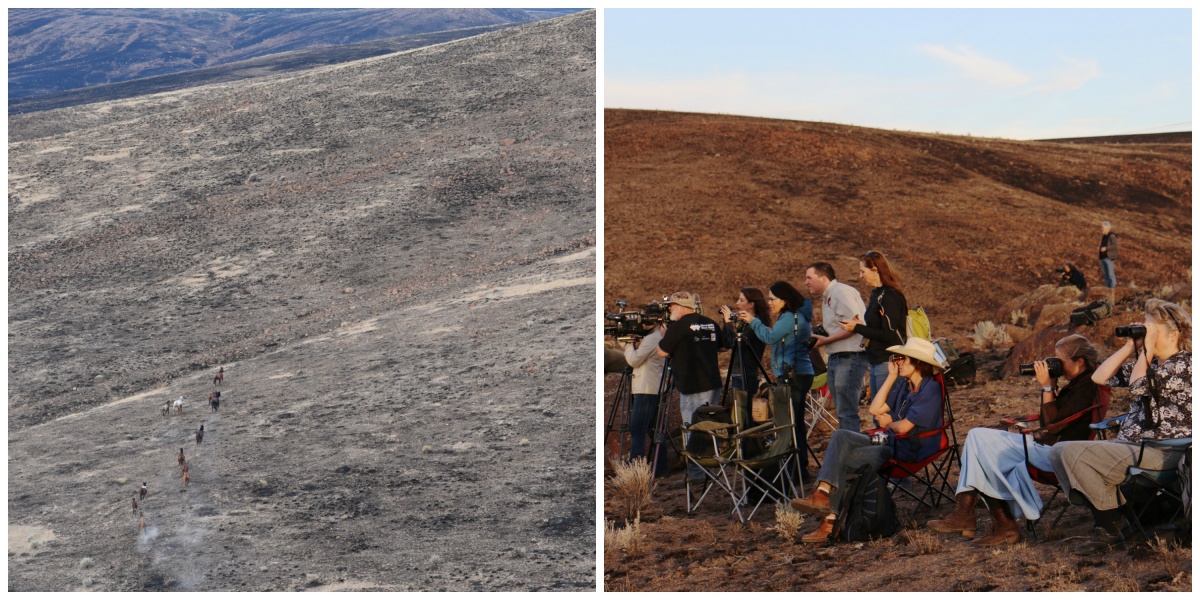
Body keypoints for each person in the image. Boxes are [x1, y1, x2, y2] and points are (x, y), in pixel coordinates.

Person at [927, 334, 1101, 545]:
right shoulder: (1077, 383)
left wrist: (1047, 388)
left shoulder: (1087, 386)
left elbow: (1053, 423)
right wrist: (1051, 386)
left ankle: (989, 521)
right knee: (975, 437)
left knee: (984, 447)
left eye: (1060, 361)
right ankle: (976, 516)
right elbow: (1052, 420)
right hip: (1046, 446)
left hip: (1058, 453)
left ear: (1079, 361)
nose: (1056, 366)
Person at [1049, 299, 1191, 555]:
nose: (1146, 333)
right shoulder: (1152, 364)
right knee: (1058, 452)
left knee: (1070, 453)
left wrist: (1145, 352)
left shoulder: (1185, 365)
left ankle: (1112, 526)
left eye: (1152, 328)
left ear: (1174, 333)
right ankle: (1116, 516)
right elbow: (1099, 377)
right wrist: (1129, 347)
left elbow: (1138, 385)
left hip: (1165, 451)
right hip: (1134, 447)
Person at [791, 337, 945, 544]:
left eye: (901, 358)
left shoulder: (930, 389)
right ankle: (823, 493)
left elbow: (904, 427)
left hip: (911, 448)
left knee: (842, 459)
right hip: (891, 442)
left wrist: (890, 423)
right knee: (841, 435)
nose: (896, 362)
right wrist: (890, 378)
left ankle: (829, 520)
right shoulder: (905, 386)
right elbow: (874, 410)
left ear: (917, 362)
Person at [738, 281, 816, 481]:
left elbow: (769, 337)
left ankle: (796, 470)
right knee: (795, 422)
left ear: (785, 299)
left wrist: (753, 321)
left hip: (795, 376)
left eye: (772, 299)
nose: (769, 302)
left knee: (789, 423)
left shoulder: (790, 317)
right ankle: (800, 469)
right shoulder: (790, 316)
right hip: (795, 373)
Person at [656, 291, 723, 483]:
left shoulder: (679, 327)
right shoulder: (710, 322)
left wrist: (664, 336)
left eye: (672, 306)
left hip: (692, 385)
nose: (670, 311)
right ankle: (711, 468)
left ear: (683, 306)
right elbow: (723, 347)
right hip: (712, 382)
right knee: (709, 427)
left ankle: (696, 474)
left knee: (692, 428)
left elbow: (661, 352)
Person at [805, 262, 869, 431]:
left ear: (823, 278)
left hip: (849, 356)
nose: (806, 283)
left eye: (809, 278)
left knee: (847, 411)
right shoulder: (829, 296)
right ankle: (847, 447)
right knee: (842, 411)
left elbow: (856, 324)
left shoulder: (841, 292)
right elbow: (841, 325)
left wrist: (825, 340)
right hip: (838, 357)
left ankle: (851, 449)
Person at [840, 251, 908, 403]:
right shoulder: (876, 294)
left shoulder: (890, 296)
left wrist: (857, 328)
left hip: (888, 362)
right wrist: (859, 326)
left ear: (875, 270)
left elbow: (888, 334)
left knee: (886, 412)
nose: (860, 276)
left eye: (863, 271)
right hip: (877, 361)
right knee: (878, 414)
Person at [616, 324, 668, 476]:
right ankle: (660, 469)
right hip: (651, 388)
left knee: (638, 429)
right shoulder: (655, 337)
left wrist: (628, 345)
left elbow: (634, 360)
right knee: (655, 430)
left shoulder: (652, 338)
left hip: (646, 390)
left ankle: (636, 469)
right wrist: (628, 343)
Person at [717, 288, 770, 395]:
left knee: (743, 409)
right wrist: (726, 322)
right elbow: (727, 344)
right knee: (739, 409)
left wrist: (728, 323)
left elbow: (738, 345)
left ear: (751, 304)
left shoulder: (756, 323)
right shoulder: (744, 322)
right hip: (739, 372)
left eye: (741, 300)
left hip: (747, 374)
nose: (737, 303)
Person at [1098, 221, 1118, 289]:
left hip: (1109, 257)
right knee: (1106, 275)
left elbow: (1115, 246)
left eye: (1102, 227)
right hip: (1103, 257)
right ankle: (1108, 289)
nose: (1101, 229)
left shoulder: (1112, 236)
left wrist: (1106, 248)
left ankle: (1113, 289)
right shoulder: (1104, 236)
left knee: (1110, 275)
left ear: (1107, 228)